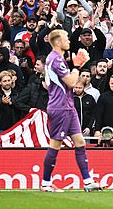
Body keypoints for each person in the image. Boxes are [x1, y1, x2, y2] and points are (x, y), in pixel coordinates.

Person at [40, 29, 101, 192]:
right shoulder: (55, 60)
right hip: (60, 107)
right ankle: (45, 183)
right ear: (58, 42)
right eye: (66, 38)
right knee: (55, 145)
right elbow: (72, 82)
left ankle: (88, 182)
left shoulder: (57, 58)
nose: (68, 40)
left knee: (80, 142)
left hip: (68, 106)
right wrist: (77, 65)